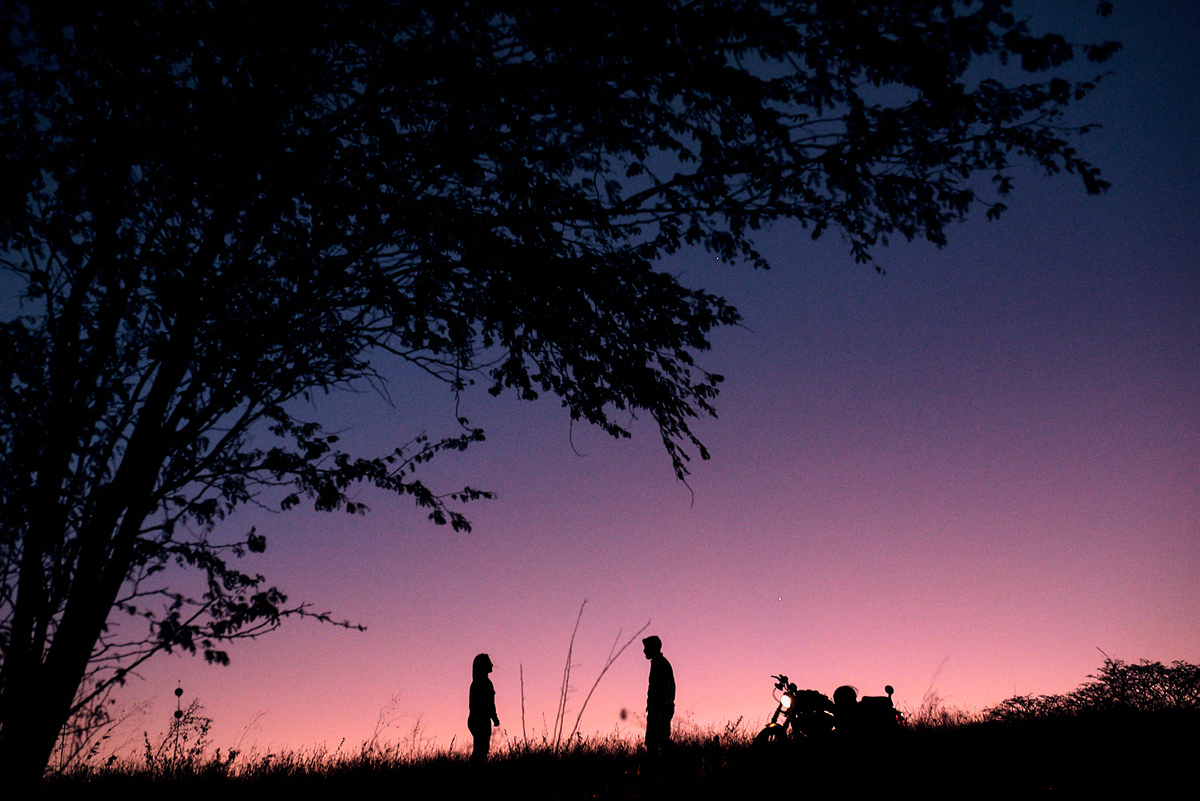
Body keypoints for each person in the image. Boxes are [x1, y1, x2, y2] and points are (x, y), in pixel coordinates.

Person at [642, 635, 675, 755]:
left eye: (646, 647)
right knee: (656, 741)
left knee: (657, 741)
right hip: (659, 709)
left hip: (660, 709)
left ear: (654, 648)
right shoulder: (658, 663)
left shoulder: (661, 664)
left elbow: (665, 689)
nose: (644, 650)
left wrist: (660, 709)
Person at [468, 653, 499, 764]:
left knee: (481, 749)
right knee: (481, 749)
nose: (491, 664)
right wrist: (494, 717)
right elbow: (488, 704)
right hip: (480, 720)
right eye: (488, 662)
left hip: (477, 719)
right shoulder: (484, 684)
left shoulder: (478, 683)